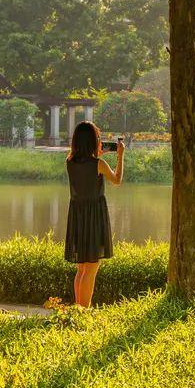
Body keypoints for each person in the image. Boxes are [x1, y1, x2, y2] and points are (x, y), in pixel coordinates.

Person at [65, 121, 124, 307]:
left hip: (78, 217)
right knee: (91, 268)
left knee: (82, 268)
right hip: (94, 217)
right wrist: (120, 156)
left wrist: (96, 153)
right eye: (98, 138)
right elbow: (116, 180)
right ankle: (84, 310)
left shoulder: (70, 161)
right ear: (93, 141)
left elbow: (85, 166)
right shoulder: (99, 164)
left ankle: (78, 308)